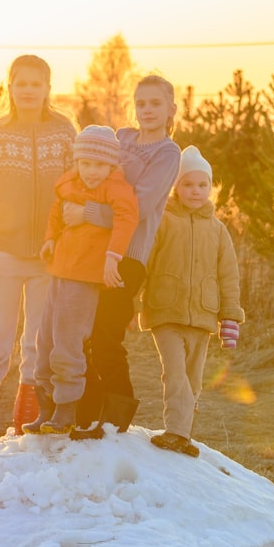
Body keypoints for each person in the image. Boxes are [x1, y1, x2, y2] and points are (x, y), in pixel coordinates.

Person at [0, 55, 77, 460]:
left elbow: (77, 191)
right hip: (4, 254)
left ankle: (22, 428)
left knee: (37, 344)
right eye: (20, 82)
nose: (28, 89)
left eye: (36, 83)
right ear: (9, 87)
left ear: (47, 88)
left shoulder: (64, 132)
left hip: (50, 256)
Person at [65, 75, 181, 437]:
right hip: (94, 252)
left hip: (128, 257)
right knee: (82, 333)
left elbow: (141, 205)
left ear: (170, 110)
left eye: (155, 104)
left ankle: (116, 419)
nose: (147, 110)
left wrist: (87, 213)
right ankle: (87, 414)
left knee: (106, 335)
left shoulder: (167, 153)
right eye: (141, 103)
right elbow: (93, 175)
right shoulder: (122, 138)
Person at [22, 125, 139, 435]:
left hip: (84, 278)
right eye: (85, 163)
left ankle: (66, 409)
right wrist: (50, 238)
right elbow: (56, 210)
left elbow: (127, 219)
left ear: (111, 165)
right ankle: (45, 406)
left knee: (68, 343)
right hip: (59, 270)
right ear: (77, 161)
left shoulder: (115, 189)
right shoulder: (69, 183)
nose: (91, 171)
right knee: (44, 340)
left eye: (100, 165)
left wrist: (113, 256)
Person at [140, 145, 245, 457]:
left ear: (211, 187)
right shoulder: (163, 221)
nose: (195, 191)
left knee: (193, 379)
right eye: (187, 184)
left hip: (203, 315)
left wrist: (230, 316)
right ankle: (176, 431)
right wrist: (132, 304)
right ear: (175, 186)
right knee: (174, 374)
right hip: (165, 311)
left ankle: (184, 433)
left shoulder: (218, 229)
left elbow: (228, 275)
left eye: (202, 185)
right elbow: (143, 264)